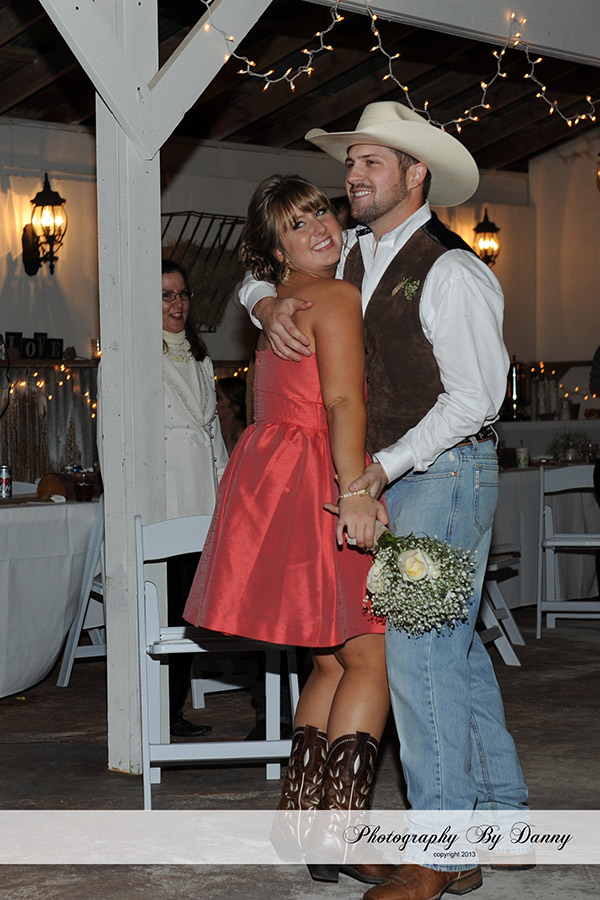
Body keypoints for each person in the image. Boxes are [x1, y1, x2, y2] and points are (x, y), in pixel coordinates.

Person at [239, 102, 529, 900]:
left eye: (372, 162)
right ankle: (504, 821)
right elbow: (266, 265)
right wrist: (263, 301)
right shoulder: (357, 251)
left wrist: (379, 471)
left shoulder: (454, 270)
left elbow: (477, 398)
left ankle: (442, 851)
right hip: (396, 480)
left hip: (444, 477)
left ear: (415, 173)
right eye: (352, 162)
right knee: (455, 653)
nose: (354, 176)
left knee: (419, 652)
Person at [184, 175, 392, 886]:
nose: (318, 228)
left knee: (330, 661)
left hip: (282, 483)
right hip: (324, 481)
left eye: (319, 212)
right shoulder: (333, 296)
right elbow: (341, 402)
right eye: (296, 226)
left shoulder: (284, 302)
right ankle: (345, 833)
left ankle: (299, 820)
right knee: (372, 657)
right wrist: (356, 491)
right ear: (276, 250)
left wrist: (262, 296)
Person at [161, 258, 229, 738]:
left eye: (183, 294)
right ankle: (159, 714)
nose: (177, 304)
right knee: (166, 613)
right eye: (166, 295)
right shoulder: (136, 358)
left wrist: (226, 494)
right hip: (167, 505)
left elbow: (214, 437)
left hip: (204, 504)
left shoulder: (201, 360)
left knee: (190, 611)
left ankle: (174, 711)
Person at [215, 376, 247, 454]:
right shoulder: (214, 432)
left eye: (217, 397)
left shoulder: (243, 438)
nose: (212, 402)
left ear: (235, 407)